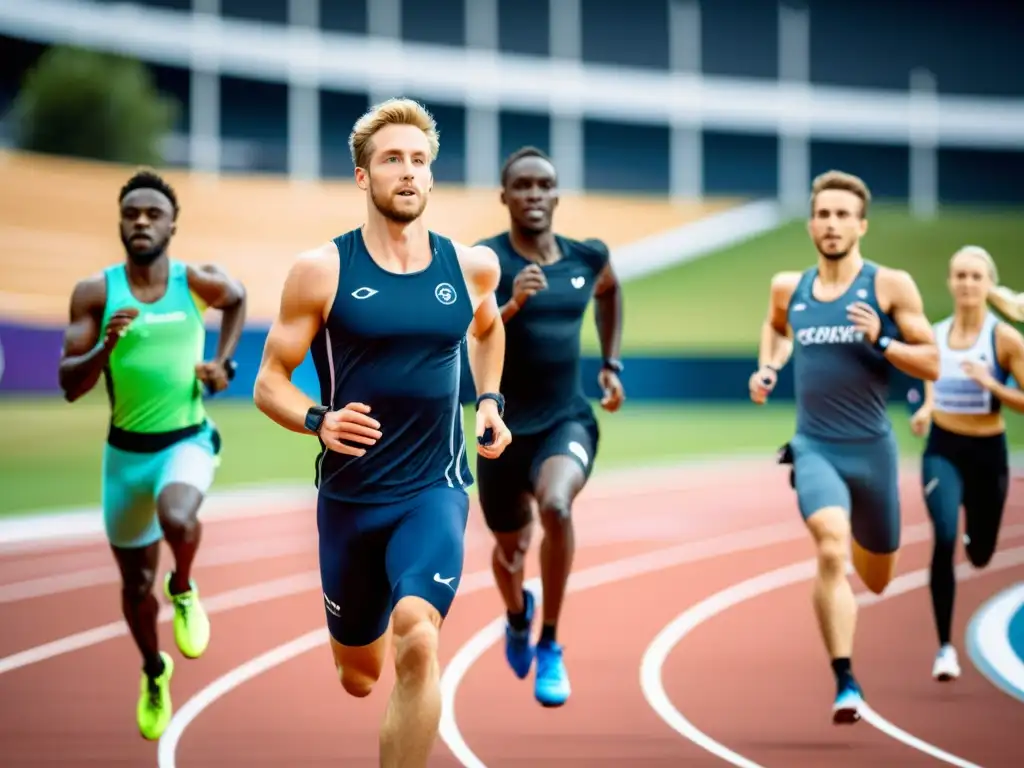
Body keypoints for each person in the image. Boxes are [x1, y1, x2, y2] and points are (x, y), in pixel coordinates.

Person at [252, 97, 511, 768]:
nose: (408, 172)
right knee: (359, 676)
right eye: (392, 159)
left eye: (419, 161)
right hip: (350, 500)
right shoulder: (322, 271)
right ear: (364, 177)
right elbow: (269, 380)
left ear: (431, 176)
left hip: (437, 487)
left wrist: (488, 401)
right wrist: (319, 420)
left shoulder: (470, 266)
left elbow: (487, 328)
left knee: (418, 637)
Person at [58, 169, 247, 740]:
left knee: (178, 517)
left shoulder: (194, 282)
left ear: (172, 224)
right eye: (132, 214)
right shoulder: (96, 292)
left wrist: (224, 364)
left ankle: (184, 588)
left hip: (185, 441)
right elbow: (69, 384)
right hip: (125, 459)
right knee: (135, 589)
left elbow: (237, 299)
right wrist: (104, 345)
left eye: (153, 213)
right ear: (121, 222)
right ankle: (153, 669)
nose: (141, 221)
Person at [749, 170, 940, 725]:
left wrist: (881, 338)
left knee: (878, 578)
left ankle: (861, 549)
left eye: (842, 216)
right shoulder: (790, 286)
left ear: (861, 225)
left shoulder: (890, 287)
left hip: (873, 452)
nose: (831, 225)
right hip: (815, 447)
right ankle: (845, 680)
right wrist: (767, 367)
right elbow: (776, 326)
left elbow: (931, 361)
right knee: (831, 548)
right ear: (811, 223)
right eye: (823, 214)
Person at [472, 146, 625, 708]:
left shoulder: (588, 258)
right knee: (510, 552)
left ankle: (551, 644)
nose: (534, 194)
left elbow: (610, 292)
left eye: (544, 185)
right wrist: (511, 305)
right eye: (523, 186)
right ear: (505, 196)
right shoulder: (485, 261)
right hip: (502, 429)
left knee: (557, 507)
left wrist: (611, 363)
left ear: (557, 195)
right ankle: (517, 615)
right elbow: (467, 334)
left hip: (567, 418)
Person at [909, 246, 1024, 682]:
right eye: (960, 275)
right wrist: (925, 410)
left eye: (976, 276)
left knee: (980, 553)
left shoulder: (1005, 339)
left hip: (987, 453)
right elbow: (930, 384)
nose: (967, 284)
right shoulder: (933, 335)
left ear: (989, 283)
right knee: (942, 537)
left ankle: (980, 538)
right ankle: (944, 648)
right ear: (950, 281)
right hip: (943, 449)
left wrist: (991, 383)